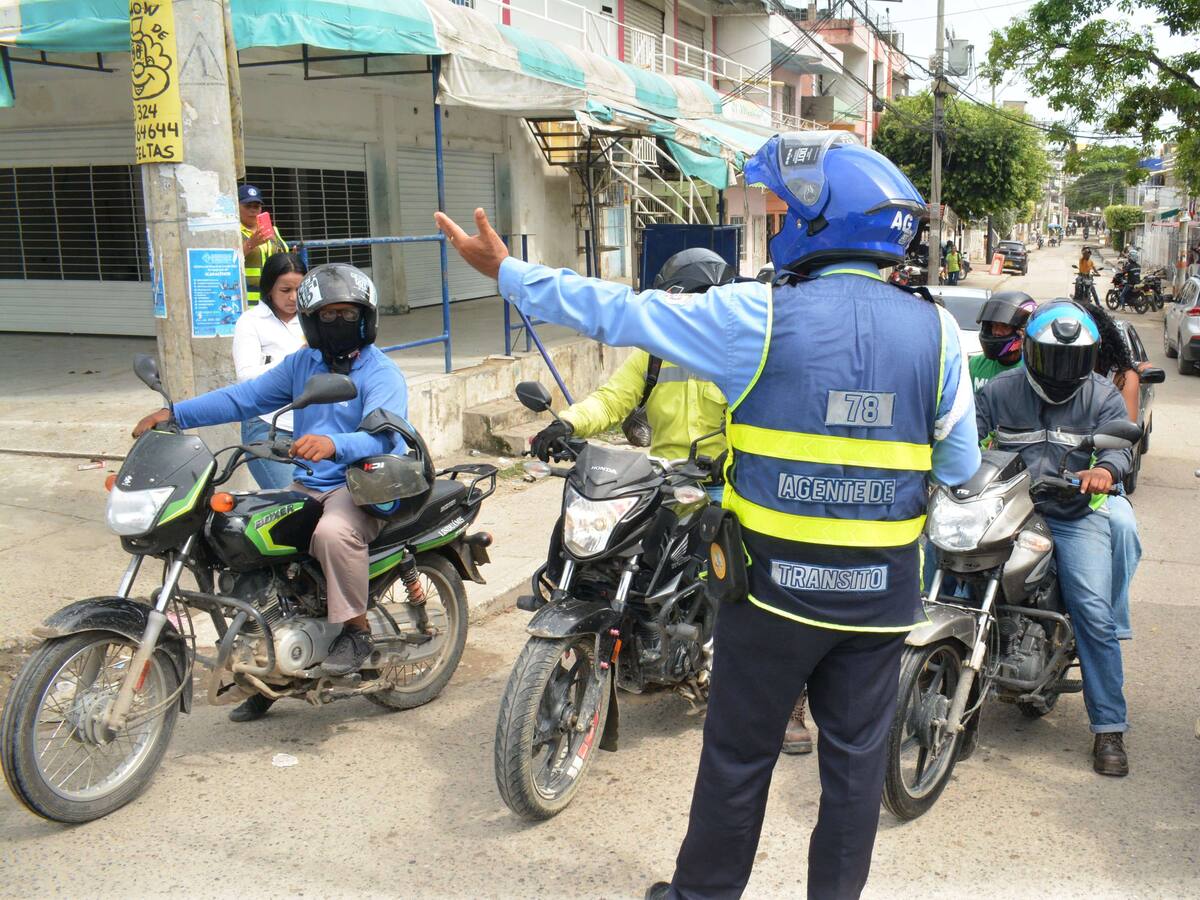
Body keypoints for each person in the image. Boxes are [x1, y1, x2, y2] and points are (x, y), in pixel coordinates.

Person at [436, 130, 981, 900]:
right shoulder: (937, 333)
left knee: (738, 759)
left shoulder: (754, 315)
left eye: (784, 208)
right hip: (880, 599)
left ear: (820, 219)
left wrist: (508, 271)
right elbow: (958, 467)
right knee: (854, 771)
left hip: (771, 597)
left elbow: (620, 312)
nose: (778, 220)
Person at [530, 247, 815, 756]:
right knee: (588, 531)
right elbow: (615, 399)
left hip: (724, 483)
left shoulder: (740, 351)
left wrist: (734, 461)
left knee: (762, 586)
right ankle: (596, 620)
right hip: (661, 476)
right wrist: (567, 423)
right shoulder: (653, 350)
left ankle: (788, 703)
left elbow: (757, 418)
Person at [133, 263, 408, 721]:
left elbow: (384, 436)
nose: (337, 323)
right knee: (241, 536)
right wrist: (174, 414)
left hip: (362, 482)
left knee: (333, 534)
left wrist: (334, 444)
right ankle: (268, 668)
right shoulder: (303, 364)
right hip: (309, 482)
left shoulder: (382, 372)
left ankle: (356, 631)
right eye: (327, 315)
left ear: (366, 318)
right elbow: (246, 398)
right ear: (310, 322)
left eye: (347, 314)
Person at [976, 300, 1132, 777]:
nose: (1063, 369)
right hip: (1006, 509)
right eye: (1053, 357)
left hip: (1072, 513)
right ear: (1030, 351)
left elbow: (1122, 448)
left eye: (1073, 359)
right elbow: (966, 441)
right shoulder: (999, 391)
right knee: (954, 575)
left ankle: (1109, 729)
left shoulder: (1103, 396)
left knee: (1091, 611)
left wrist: (1104, 469)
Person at [1085, 302, 1147, 640]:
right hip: (1047, 475)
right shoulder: (1045, 370)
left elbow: (1123, 435)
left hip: (1101, 480)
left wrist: (1104, 471)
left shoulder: (1123, 377)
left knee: (1123, 528)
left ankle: (1113, 619)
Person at [231, 252, 307, 489]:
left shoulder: (314, 318)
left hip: (311, 427)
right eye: (285, 290)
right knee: (290, 501)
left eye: (300, 289)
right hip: (267, 425)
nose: (293, 298)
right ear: (269, 288)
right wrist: (295, 359)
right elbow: (246, 376)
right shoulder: (251, 321)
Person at [969, 291, 1037, 391]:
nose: (997, 332)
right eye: (994, 325)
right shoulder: (976, 364)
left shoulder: (1032, 371)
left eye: (1004, 326)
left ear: (1020, 331)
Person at [239, 183, 288, 306]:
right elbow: (226, 263)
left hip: (275, 298)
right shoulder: (232, 233)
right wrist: (250, 245)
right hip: (248, 300)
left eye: (257, 206)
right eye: (247, 206)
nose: (253, 210)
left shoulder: (272, 230)